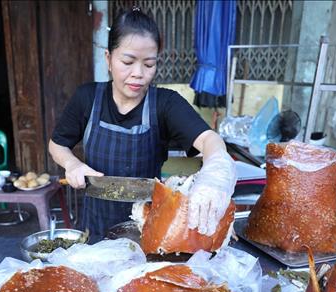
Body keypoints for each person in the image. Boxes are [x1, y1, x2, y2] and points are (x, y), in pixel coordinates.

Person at [48, 8, 237, 239]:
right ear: (108, 59)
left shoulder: (166, 103)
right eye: (128, 62)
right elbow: (57, 144)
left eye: (149, 64)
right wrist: (73, 164)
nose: (138, 73)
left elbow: (210, 139)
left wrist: (215, 174)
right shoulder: (87, 98)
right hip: (95, 229)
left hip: (149, 228)